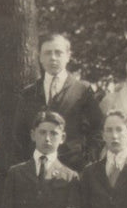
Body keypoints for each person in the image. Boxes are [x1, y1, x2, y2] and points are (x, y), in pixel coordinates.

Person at [11, 33, 103, 172]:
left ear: (68, 56)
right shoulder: (28, 94)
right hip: (37, 170)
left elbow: (98, 129)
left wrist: (87, 159)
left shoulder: (82, 90)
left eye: (58, 53)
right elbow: (20, 134)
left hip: (74, 170)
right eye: (47, 53)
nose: (53, 58)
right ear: (40, 57)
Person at [0, 111, 82, 208]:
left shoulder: (70, 177)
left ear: (62, 138)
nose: (47, 138)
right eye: (42, 132)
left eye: (54, 134)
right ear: (32, 135)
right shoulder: (16, 173)